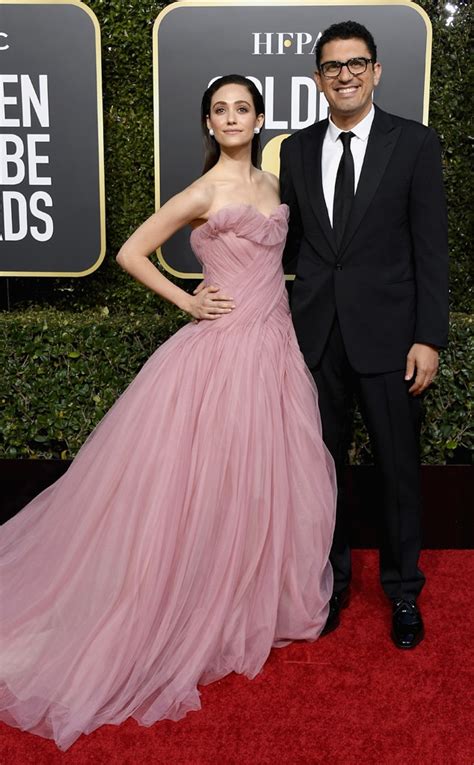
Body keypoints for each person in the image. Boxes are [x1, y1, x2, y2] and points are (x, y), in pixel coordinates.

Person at [0, 75, 336, 751]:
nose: (233, 117)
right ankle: (178, 605)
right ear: (209, 124)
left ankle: (245, 600)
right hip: (218, 356)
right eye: (221, 110)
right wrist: (187, 302)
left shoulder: (274, 188)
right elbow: (129, 250)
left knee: (258, 480)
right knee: (199, 483)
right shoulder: (205, 189)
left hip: (273, 350)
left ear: (260, 116)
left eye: (243, 108)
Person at [280, 21, 448, 649]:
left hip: (391, 339)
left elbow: (432, 249)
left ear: (376, 71)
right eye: (332, 66)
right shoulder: (294, 150)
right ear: (317, 78)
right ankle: (330, 588)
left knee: (398, 471)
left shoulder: (414, 144)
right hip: (315, 338)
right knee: (320, 472)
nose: (345, 74)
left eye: (357, 63)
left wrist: (429, 336)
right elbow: (289, 247)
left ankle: (404, 590)